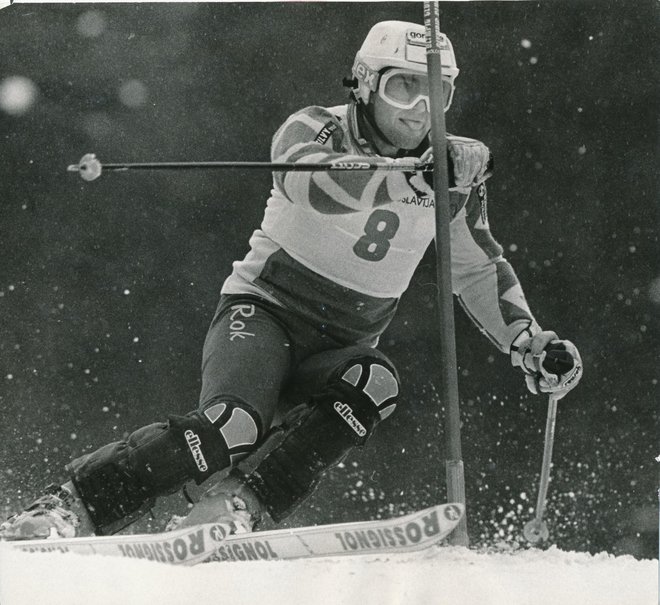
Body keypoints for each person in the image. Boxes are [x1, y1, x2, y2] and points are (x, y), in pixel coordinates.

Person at [1, 20, 582, 541]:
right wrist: (408, 173)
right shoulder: (317, 128)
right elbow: (313, 185)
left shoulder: (452, 172)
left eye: (439, 90)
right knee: (231, 427)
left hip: (342, 343)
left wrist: (527, 341)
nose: (420, 110)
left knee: (376, 384)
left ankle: (239, 505)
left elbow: (477, 265)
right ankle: (71, 506)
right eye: (402, 87)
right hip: (265, 314)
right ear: (363, 83)